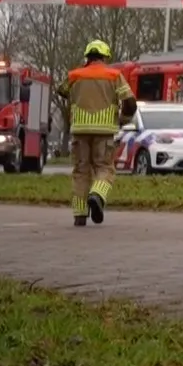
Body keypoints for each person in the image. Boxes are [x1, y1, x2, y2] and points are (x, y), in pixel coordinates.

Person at [58, 39, 135, 227]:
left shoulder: (74, 75)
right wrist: (123, 119)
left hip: (80, 130)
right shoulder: (114, 75)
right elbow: (130, 102)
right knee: (105, 168)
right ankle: (97, 195)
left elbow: (61, 90)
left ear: (87, 57)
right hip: (105, 130)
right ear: (105, 57)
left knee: (81, 171)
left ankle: (79, 215)